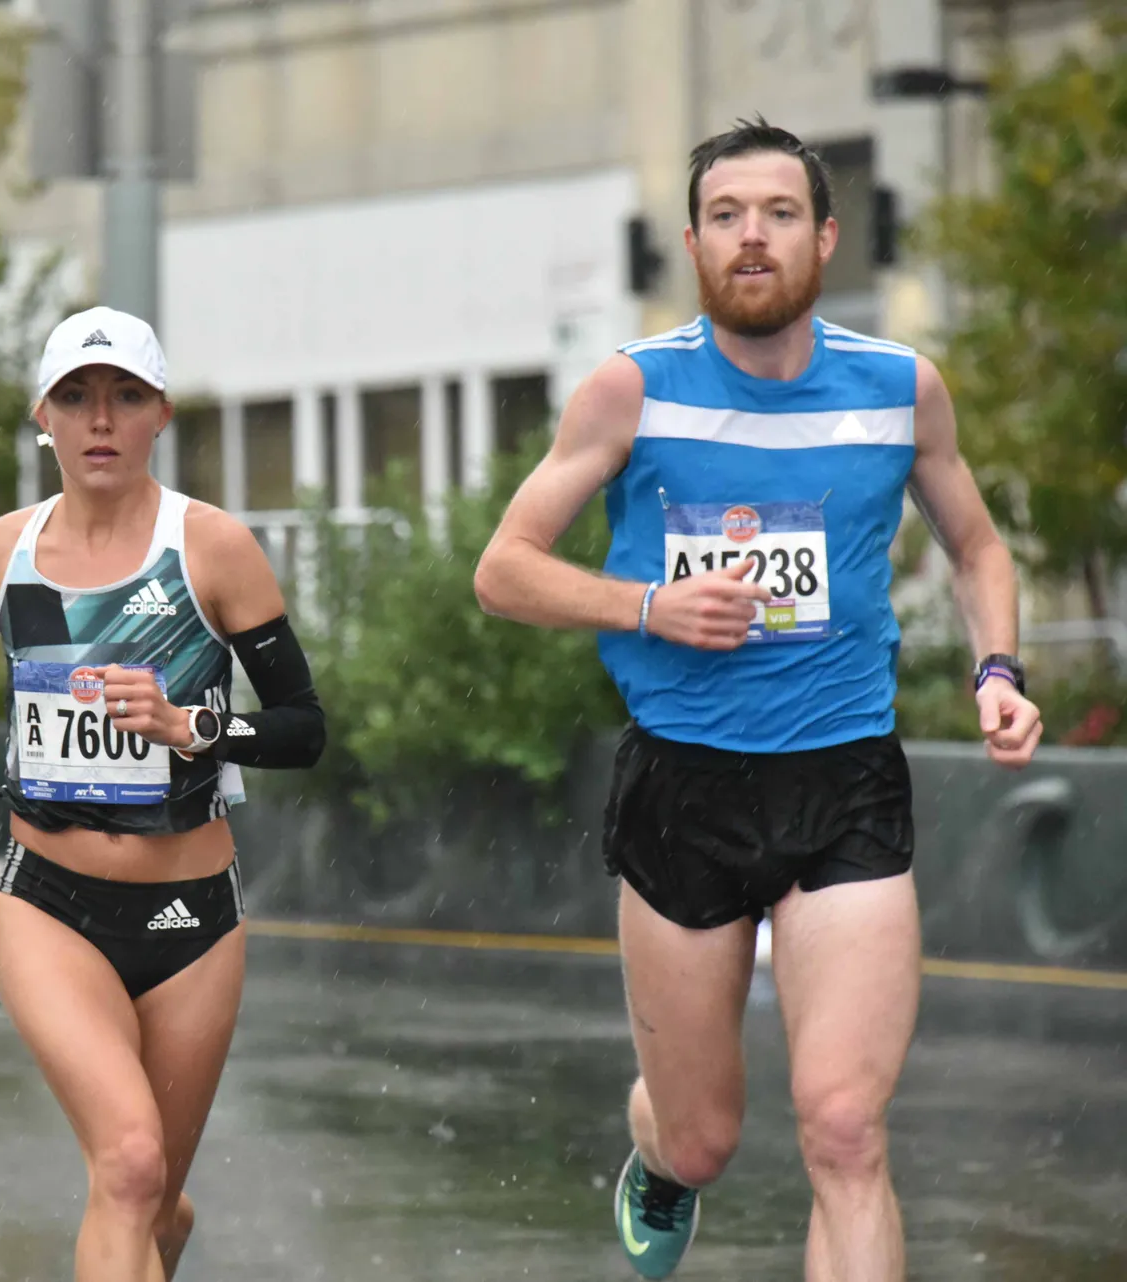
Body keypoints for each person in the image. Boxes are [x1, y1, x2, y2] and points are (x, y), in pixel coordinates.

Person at [473, 118, 1042, 1282]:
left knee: (844, 1126)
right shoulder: (633, 392)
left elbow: (980, 549)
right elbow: (504, 570)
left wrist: (998, 672)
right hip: (685, 783)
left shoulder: (899, 388)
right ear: (692, 241)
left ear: (824, 238)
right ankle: (661, 1158)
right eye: (726, 215)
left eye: (779, 214)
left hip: (846, 782)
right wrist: (647, 608)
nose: (752, 237)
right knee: (706, 1133)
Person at [0, 305, 327, 1282]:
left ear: (160, 417)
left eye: (125, 396)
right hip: (48, 902)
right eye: (77, 397)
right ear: (42, 418)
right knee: (129, 1164)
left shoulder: (210, 549)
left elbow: (304, 727)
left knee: (153, 1200)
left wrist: (196, 726)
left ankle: (156, 1237)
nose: (102, 418)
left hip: (194, 919)